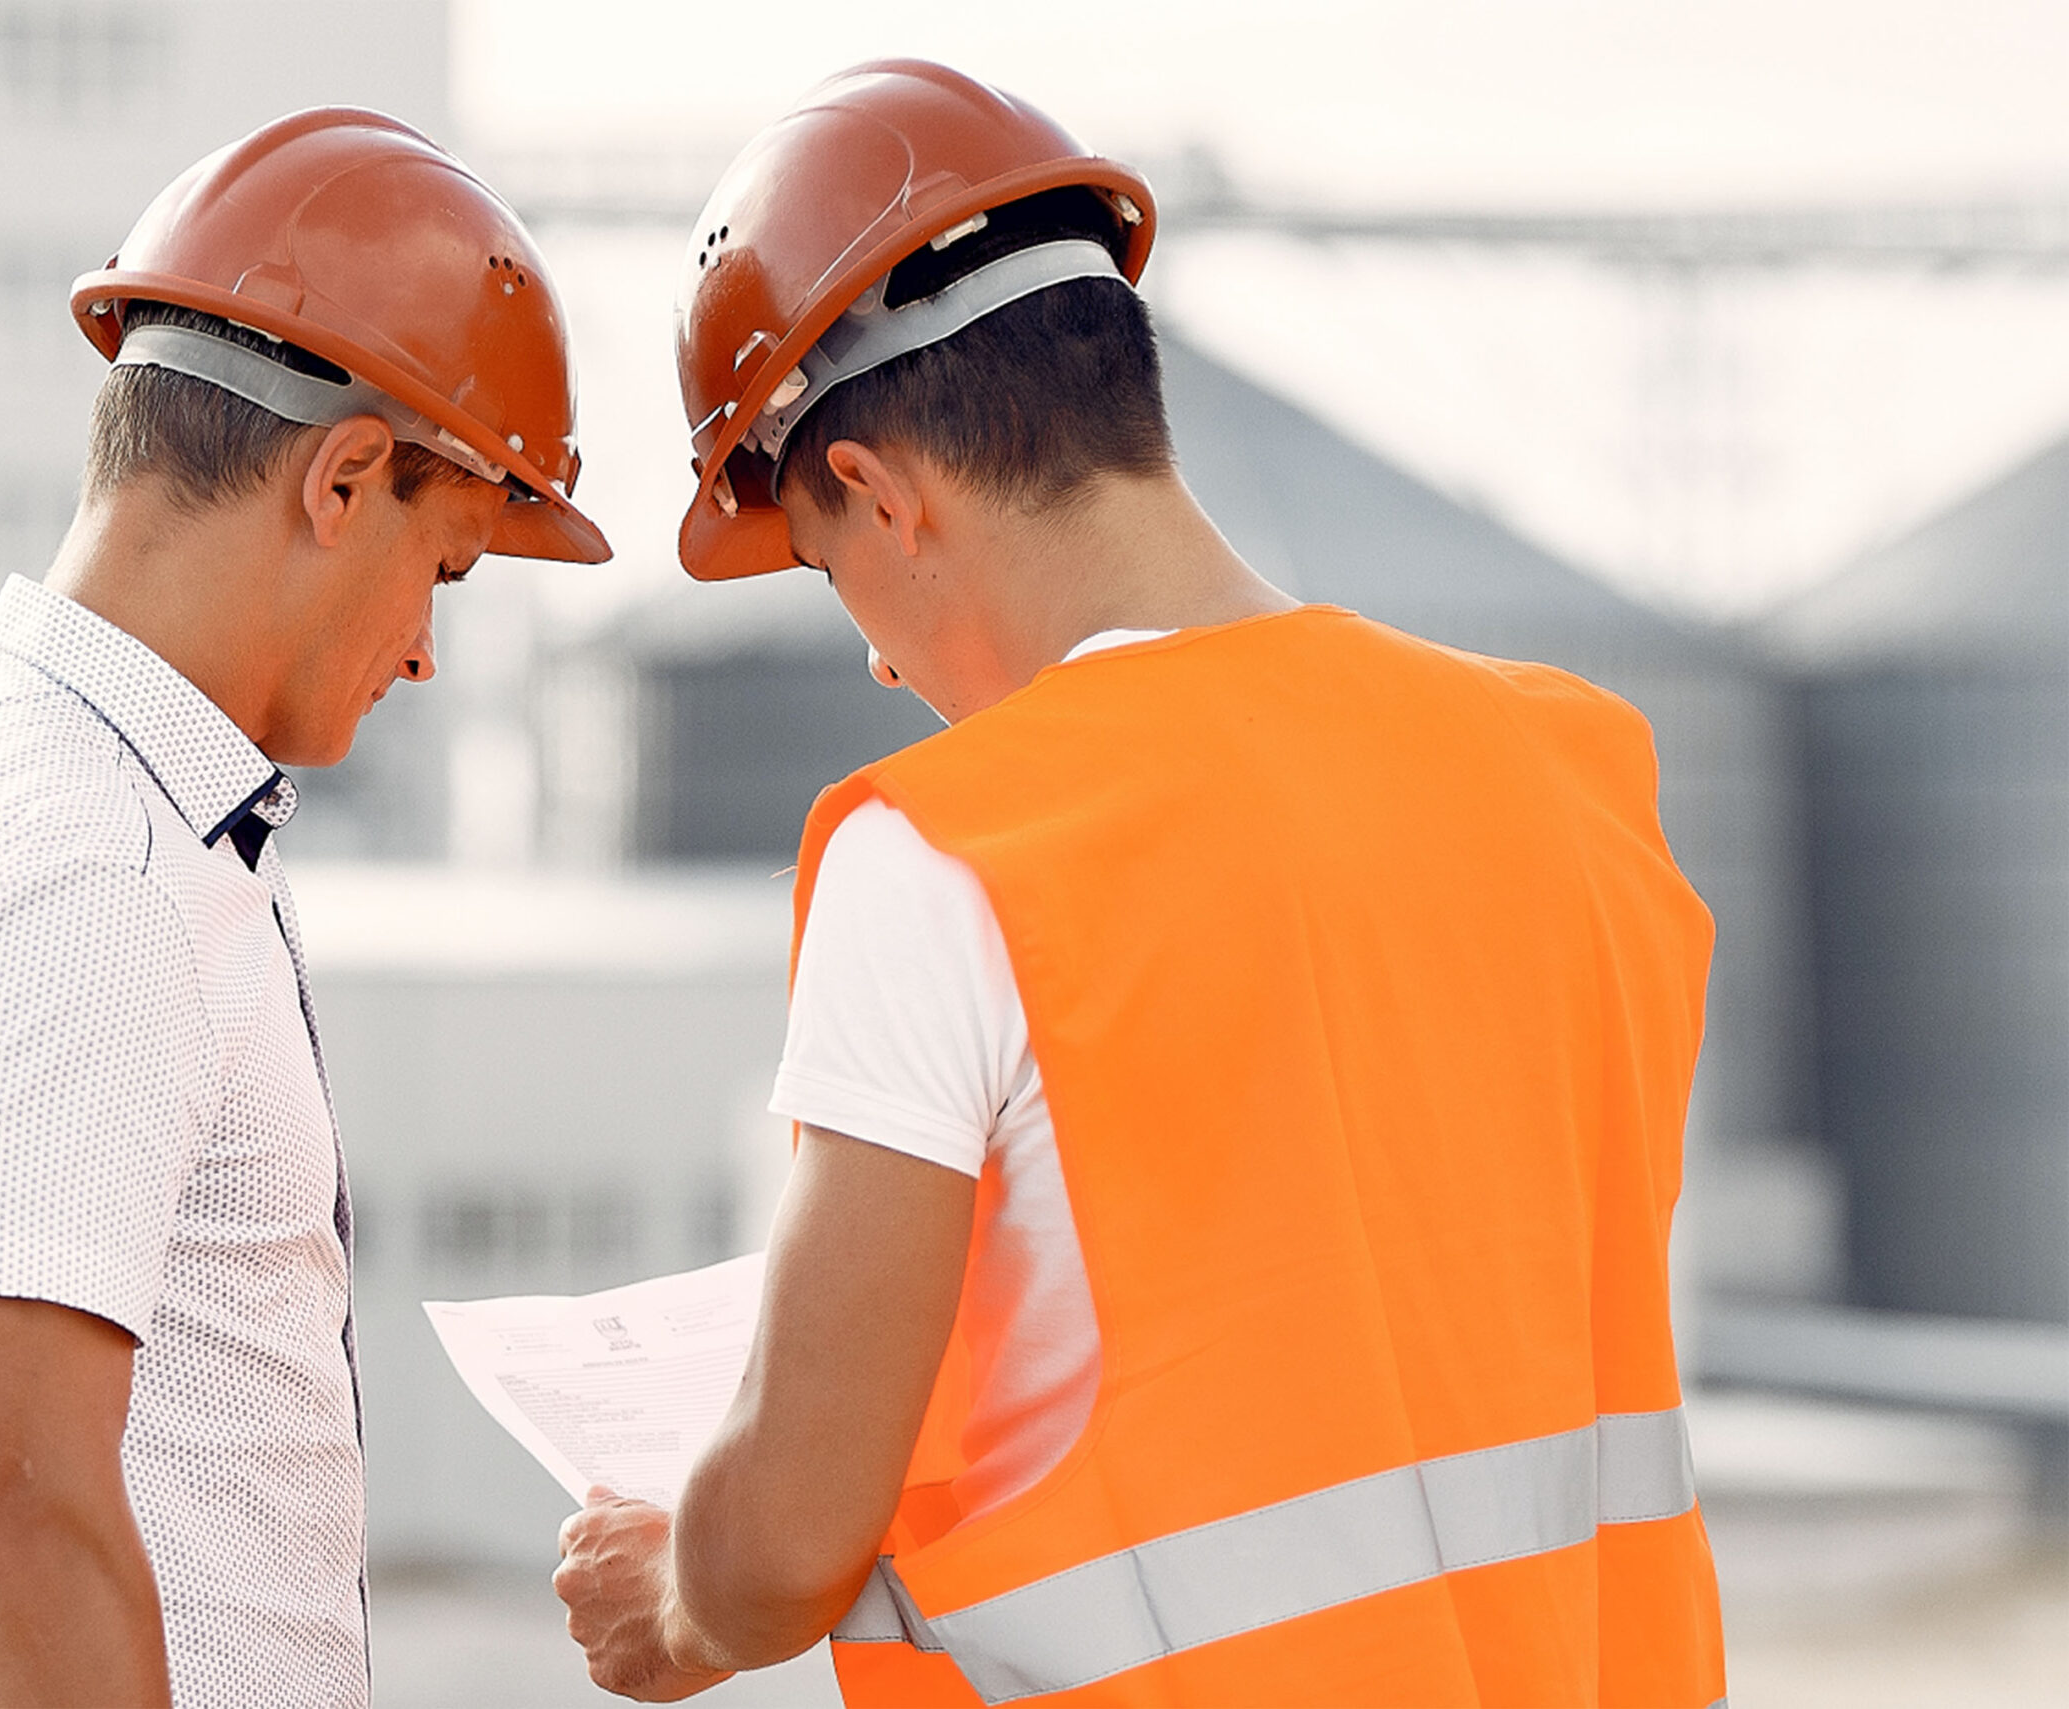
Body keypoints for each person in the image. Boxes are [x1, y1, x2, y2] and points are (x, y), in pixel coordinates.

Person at [553, 60, 1726, 1708]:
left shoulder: (952, 852)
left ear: (885, 491)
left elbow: (779, 1545)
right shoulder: (1578, 774)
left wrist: (677, 1596)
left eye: (832, 576)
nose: (880, 667)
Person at [0, 108, 605, 1708]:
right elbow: (19, 1518)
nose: (423, 651)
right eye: (449, 571)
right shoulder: (89, 868)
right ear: (344, 477)